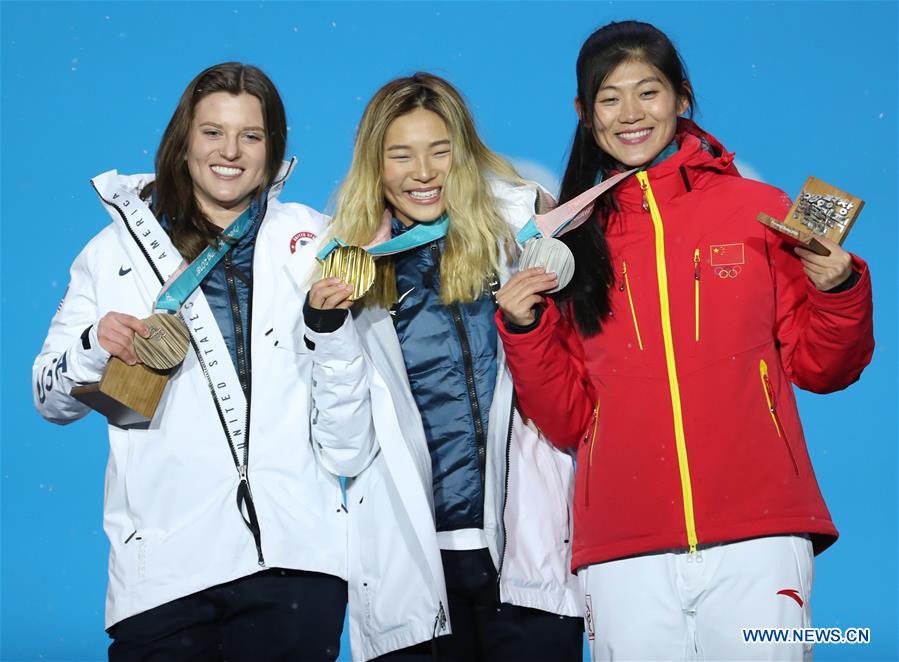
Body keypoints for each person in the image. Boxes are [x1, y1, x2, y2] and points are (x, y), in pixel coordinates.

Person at [494, 21, 875, 662]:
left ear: (682, 97)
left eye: (649, 92)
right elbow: (565, 420)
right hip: (623, 546)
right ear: (585, 114)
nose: (631, 114)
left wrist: (837, 287)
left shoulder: (756, 208)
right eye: (610, 98)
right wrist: (527, 331)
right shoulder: (568, 239)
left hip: (761, 531)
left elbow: (822, 367)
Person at [32, 62, 375, 661]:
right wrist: (92, 344)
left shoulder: (314, 239)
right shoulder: (113, 253)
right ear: (183, 140)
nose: (230, 151)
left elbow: (348, 405)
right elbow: (47, 395)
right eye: (213, 131)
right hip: (163, 574)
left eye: (251, 135)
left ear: (274, 148)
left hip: (296, 565)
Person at [312, 73, 584, 661]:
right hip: (410, 561)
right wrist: (330, 334)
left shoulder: (521, 238)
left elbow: (572, 394)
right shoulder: (343, 270)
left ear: (464, 154)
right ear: (374, 164)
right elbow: (343, 448)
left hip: (527, 555)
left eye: (440, 151)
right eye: (401, 155)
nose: (423, 172)